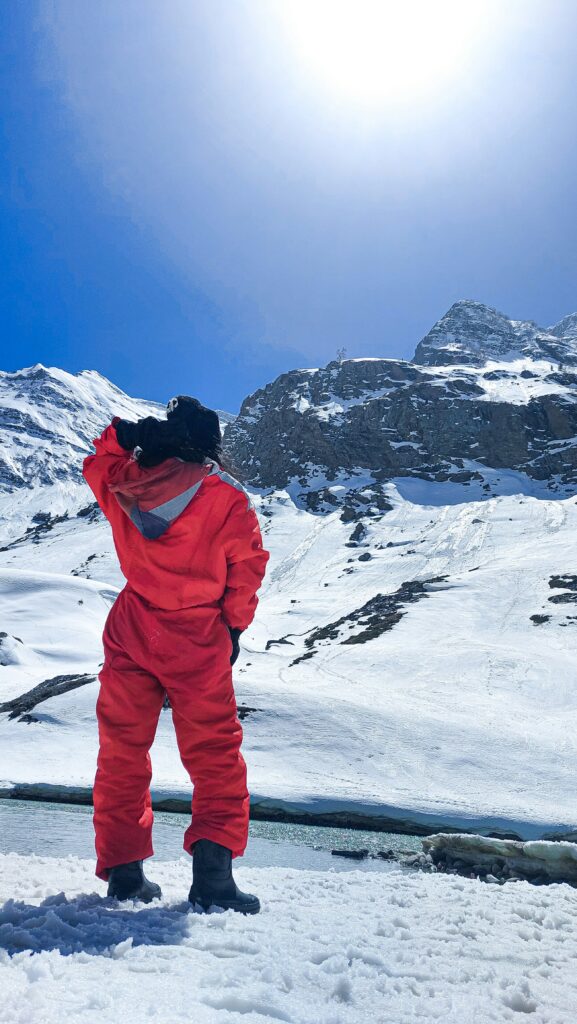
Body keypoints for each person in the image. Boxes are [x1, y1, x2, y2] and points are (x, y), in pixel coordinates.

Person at [82, 395, 269, 913]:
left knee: (122, 751)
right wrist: (232, 627)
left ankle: (125, 875)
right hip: (197, 635)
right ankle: (213, 881)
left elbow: (96, 460)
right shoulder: (226, 497)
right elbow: (247, 568)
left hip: (133, 626)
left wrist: (127, 434)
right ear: (209, 445)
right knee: (214, 757)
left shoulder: (124, 481)